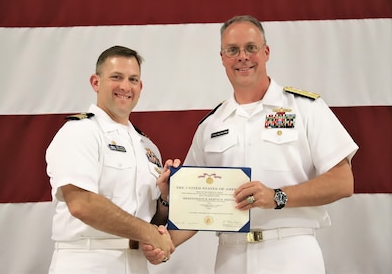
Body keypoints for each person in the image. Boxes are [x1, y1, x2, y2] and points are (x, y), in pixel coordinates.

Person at [143, 15, 359, 274]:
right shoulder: (210, 126)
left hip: (291, 253)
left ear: (266, 52)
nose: (242, 56)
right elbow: (197, 207)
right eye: (232, 50)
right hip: (230, 257)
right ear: (222, 58)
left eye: (251, 48)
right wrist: (164, 243)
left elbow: (343, 182)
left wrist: (276, 196)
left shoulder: (305, 108)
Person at [45, 45, 177, 274]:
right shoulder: (80, 131)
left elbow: (150, 219)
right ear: (96, 82)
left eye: (133, 79)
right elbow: (82, 204)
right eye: (116, 77)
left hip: (136, 263)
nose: (125, 86)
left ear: (140, 86)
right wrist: (149, 234)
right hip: (88, 261)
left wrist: (164, 198)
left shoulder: (148, 147)